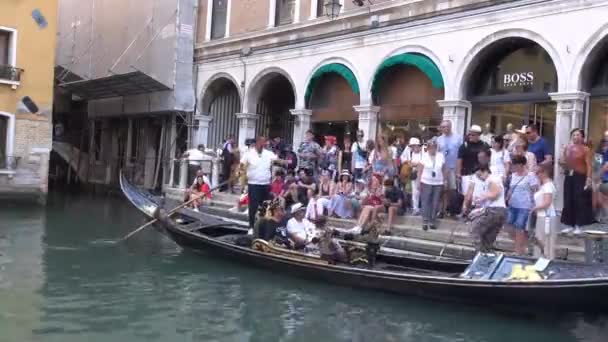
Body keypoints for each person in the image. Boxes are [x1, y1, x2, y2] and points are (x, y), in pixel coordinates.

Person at [241, 136, 290, 231]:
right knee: (253, 206)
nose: (263, 144)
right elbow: (242, 166)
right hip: (253, 184)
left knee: (266, 206)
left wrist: (283, 162)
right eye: (261, 142)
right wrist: (240, 173)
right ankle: (251, 227)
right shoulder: (248, 154)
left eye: (264, 142)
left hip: (265, 184)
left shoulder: (269, 153)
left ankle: (265, 227)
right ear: (256, 143)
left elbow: (277, 160)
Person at [559, 128, 594, 234]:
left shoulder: (585, 149)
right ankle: (569, 224)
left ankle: (579, 225)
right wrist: (562, 159)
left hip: (580, 176)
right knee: (568, 199)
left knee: (579, 200)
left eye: (578, 135)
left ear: (582, 137)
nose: (576, 137)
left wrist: (588, 178)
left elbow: (589, 165)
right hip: (569, 175)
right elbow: (563, 161)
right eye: (574, 135)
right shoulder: (568, 147)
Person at [465, 166, 507, 253]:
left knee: (474, 230)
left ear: (485, 172)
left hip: (494, 210)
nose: (480, 178)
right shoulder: (495, 179)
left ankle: (480, 254)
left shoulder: (491, 179)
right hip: (501, 211)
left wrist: (482, 197)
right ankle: (486, 254)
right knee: (488, 237)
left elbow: (495, 193)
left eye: (480, 175)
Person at [505, 155, 538, 255]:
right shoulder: (513, 175)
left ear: (520, 165)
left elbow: (534, 191)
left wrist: (534, 205)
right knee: (509, 227)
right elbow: (510, 189)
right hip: (512, 205)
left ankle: (518, 251)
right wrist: (506, 199)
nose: (513, 167)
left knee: (520, 228)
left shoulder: (530, 176)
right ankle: (523, 246)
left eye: (514, 165)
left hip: (524, 206)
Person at [418, 138, 447, 231]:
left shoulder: (440, 156)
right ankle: (425, 220)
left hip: (438, 182)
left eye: (434, 147)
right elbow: (420, 170)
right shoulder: (424, 156)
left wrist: (445, 180)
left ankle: (433, 220)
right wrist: (419, 181)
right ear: (428, 148)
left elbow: (444, 169)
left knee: (435, 202)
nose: (432, 149)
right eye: (430, 147)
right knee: (426, 201)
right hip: (426, 181)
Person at [531, 162, 558, 259]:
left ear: (544, 172)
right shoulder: (543, 186)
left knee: (545, 241)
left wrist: (535, 208)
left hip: (547, 216)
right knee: (540, 240)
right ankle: (539, 259)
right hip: (541, 216)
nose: (536, 175)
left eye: (538, 172)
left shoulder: (548, 186)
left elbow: (547, 202)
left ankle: (546, 259)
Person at [437, 120, 463, 216]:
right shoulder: (439, 139)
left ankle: (452, 209)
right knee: (442, 189)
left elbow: (461, 154)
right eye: (443, 127)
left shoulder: (458, 138)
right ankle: (442, 210)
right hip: (442, 169)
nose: (444, 129)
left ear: (450, 126)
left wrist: (459, 169)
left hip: (453, 168)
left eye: (446, 126)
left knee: (452, 190)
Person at [457, 125, 490, 197]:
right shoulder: (464, 146)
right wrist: (458, 174)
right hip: (467, 174)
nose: (470, 136)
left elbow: (488, 160)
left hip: (481, 174)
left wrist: (487, 172)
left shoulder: (484, 145)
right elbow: (459, 160)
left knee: (479, 195)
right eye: (469, 134)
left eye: (473, 135)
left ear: (478, 135)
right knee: (467, 195)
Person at [401, 137, 423, 215]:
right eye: (411, 146)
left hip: (424, 174)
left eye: (414, 146)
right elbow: (403, 159)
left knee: (423, 192)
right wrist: (409, 162)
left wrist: (416, 164)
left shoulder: (424, 151)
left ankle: (423, 208)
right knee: (415, 192)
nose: (412, 148)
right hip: (414, 173)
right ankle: (415, 208)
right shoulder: (410, 152)